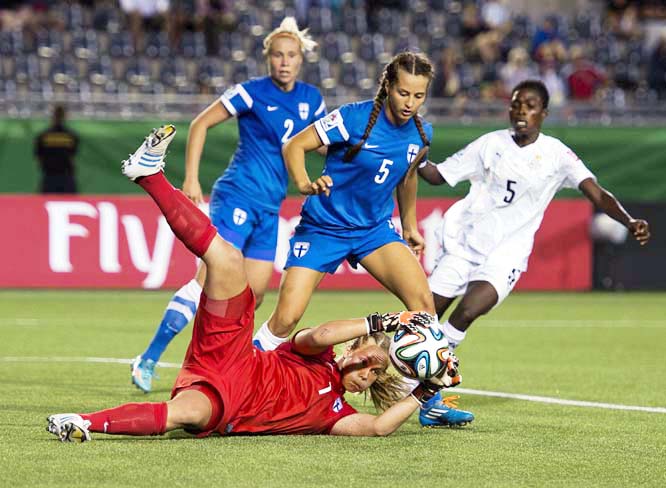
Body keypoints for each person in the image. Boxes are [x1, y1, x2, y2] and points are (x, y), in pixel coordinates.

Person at [46, 126, 462, 442]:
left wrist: (426, 390)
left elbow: (377, 427)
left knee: (185, 414)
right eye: (370, 360)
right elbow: (323, 332)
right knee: (226, 260)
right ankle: (149, 175)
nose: (365, 370)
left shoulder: (334, 414)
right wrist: (385, 321)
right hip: (233, 354)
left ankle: (83, 421)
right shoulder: (315, 355)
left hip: (224, 403)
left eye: (372, 376)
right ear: (354, 348)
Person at [250, 51, 474, 427]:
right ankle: (244, 372)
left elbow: (407, 175)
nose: (410, 103)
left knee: (423, 305)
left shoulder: (422, 133)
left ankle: (430, 402)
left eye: (418, 96)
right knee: (287, 317)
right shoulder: (352, 119)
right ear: (388, 86)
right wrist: (304, 182)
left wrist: (409, 223)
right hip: (323, 227)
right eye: (403, 93)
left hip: (373, 230)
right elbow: (294, 146)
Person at [417, 80, 650, 410]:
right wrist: (415, 156)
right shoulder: (490, 144)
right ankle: (406, 381)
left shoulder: (557, 154)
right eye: (515, 104)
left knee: (468, 310)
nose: (521, 111)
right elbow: (438, 176)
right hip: (464, 245)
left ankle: (426, 390)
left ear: (544, 112)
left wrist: (629, 220)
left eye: (529, 105)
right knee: (424, 317)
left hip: (507, 253)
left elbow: (596, 192)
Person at [130, 17, 326, 393]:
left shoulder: (312, 100)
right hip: (236, 195)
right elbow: (200, 123)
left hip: (271, 207)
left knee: (253, 295)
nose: (284, 62)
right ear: (268, 58)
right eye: (278, 55)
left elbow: (320, 142)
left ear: (301, 59)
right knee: (209, 280)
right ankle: (149, 358)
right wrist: (190, 177)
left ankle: (226, 369)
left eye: (292, 55)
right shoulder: (250, 92)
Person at [34, 104, 79, 194]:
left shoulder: (43, 136)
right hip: (66, 177)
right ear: (64, 116)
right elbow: (72, 156)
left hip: (49, 177)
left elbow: (39, 157)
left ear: (53, 116)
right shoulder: (71, 136)